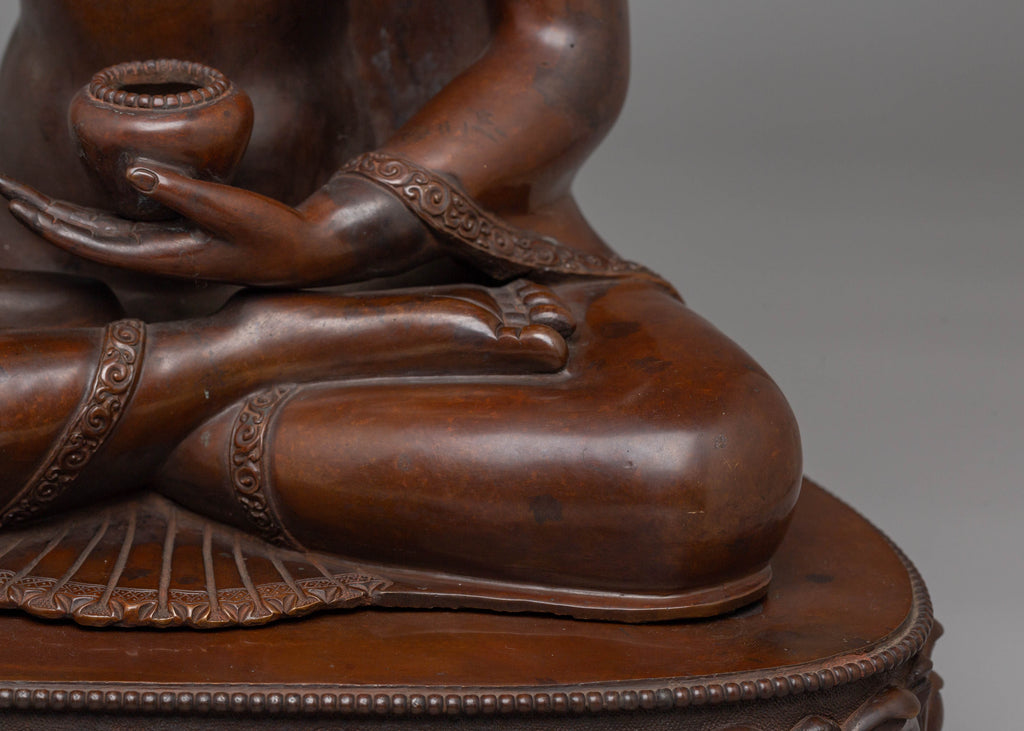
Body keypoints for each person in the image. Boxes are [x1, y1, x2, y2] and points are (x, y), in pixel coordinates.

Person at [0, 0, 802, 625]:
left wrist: (334, 231)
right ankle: (247, 356)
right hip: (37, 261)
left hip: (411, 257)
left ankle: (112, 417)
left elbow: (562, 44)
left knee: (706, 464)